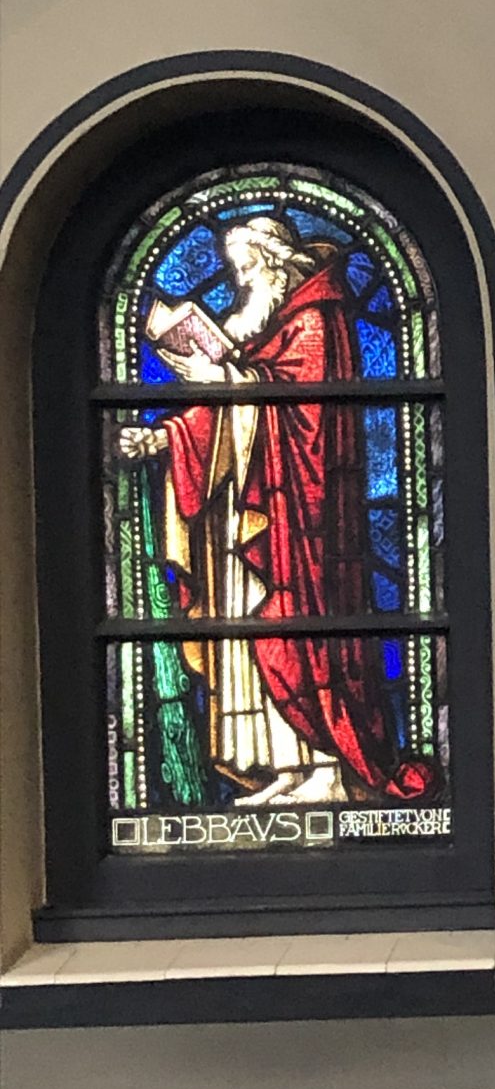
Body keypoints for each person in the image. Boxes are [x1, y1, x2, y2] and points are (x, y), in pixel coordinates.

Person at [119, 213, 433, 807]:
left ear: (274, 265)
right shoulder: (270, 335)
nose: (239, 283)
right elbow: (232, 409)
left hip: (302, 523)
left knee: (296, 627)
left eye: (244, 269)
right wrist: (162, 438)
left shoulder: (315, 320)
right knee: (253, 631)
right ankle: (282, 767)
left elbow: (301, 412)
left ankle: (327, 764)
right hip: (256, 514)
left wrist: (224, 378)